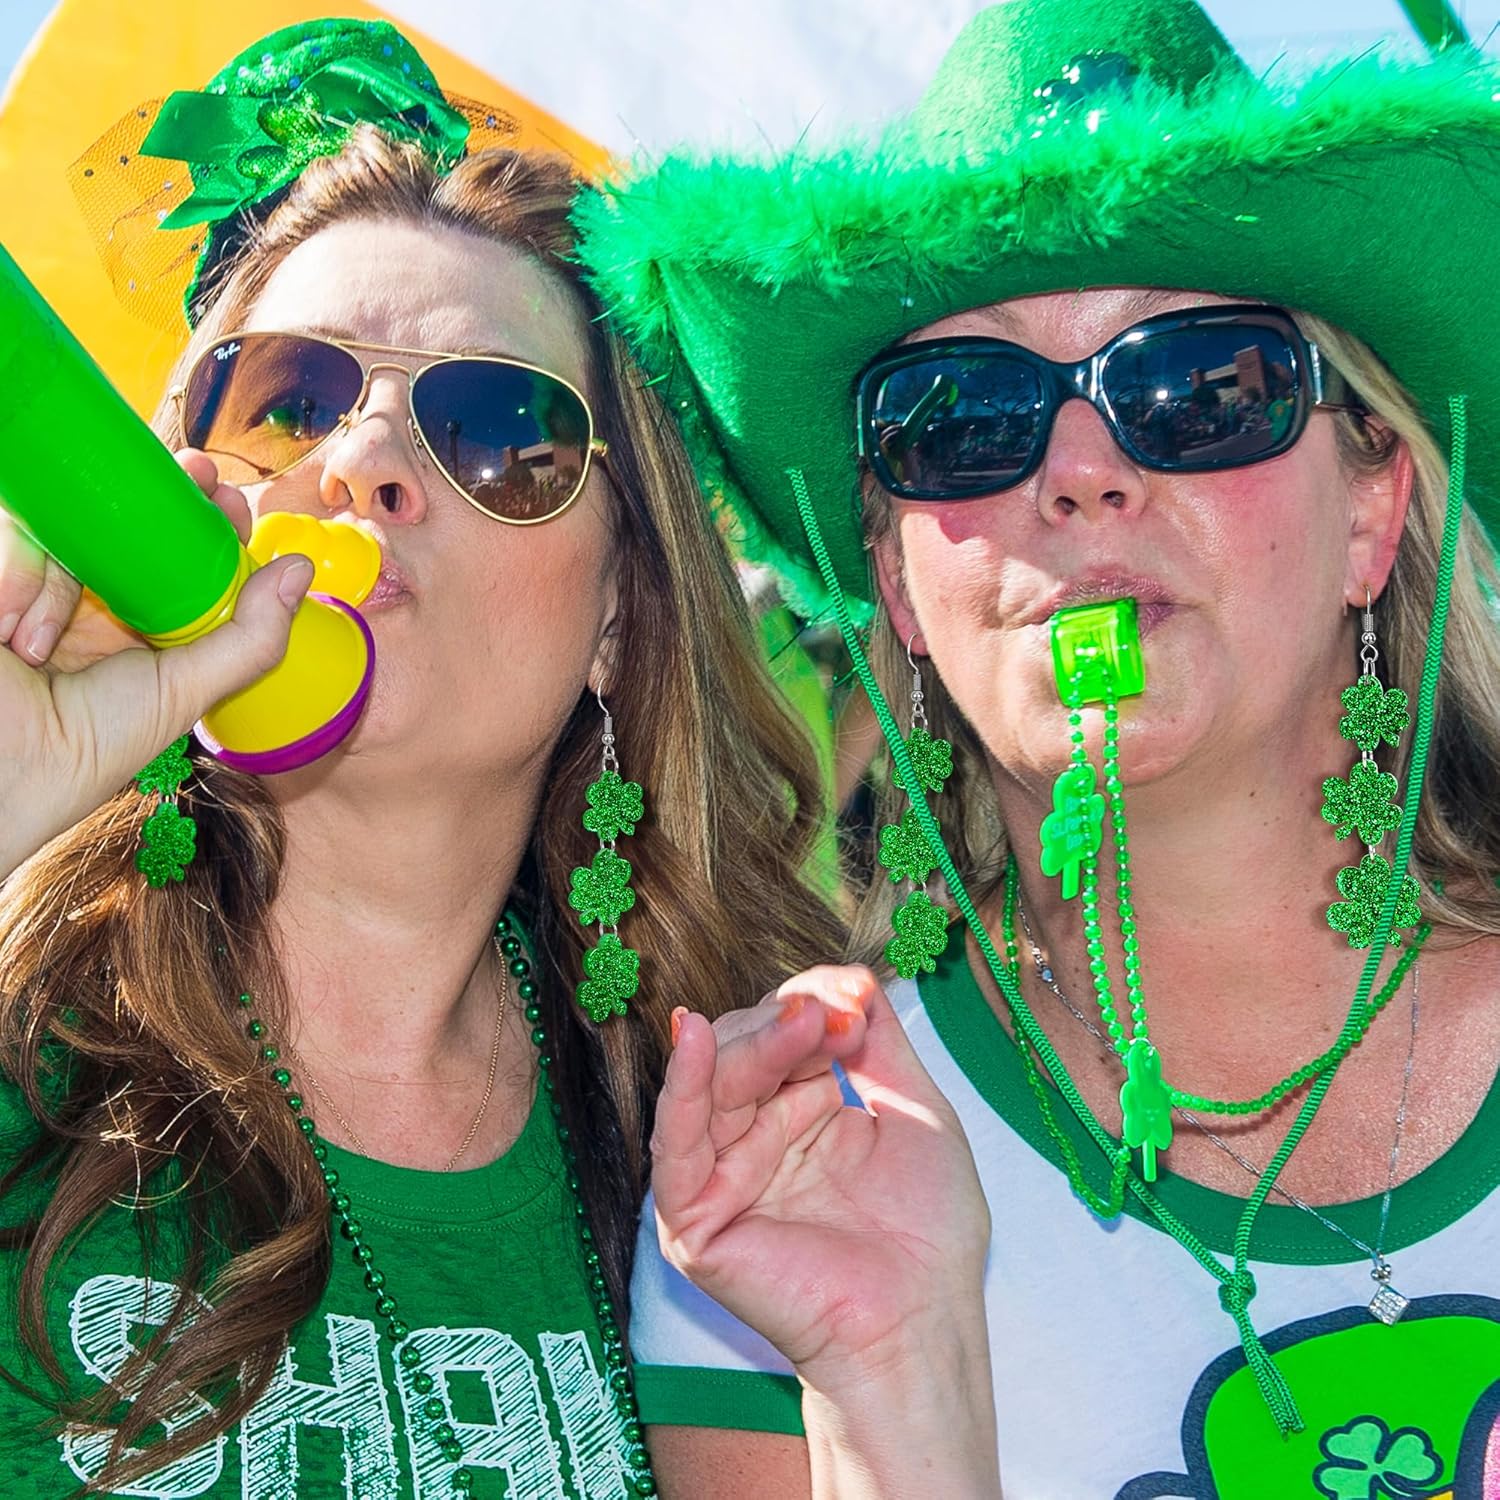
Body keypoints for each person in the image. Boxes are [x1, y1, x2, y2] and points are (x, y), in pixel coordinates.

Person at [576, 0, 1500, 1494]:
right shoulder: (785, 1196)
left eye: (1201, 389)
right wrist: (892, 1386)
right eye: (961, 418)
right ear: (898, 587)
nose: (1078, 474)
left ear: (1374, 508)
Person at [0, 19, 849, 1497]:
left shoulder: (724, 1131)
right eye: (286, 401)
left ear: (619, 615)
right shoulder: (20, 1047)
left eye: (503, 432)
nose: (367, 461)